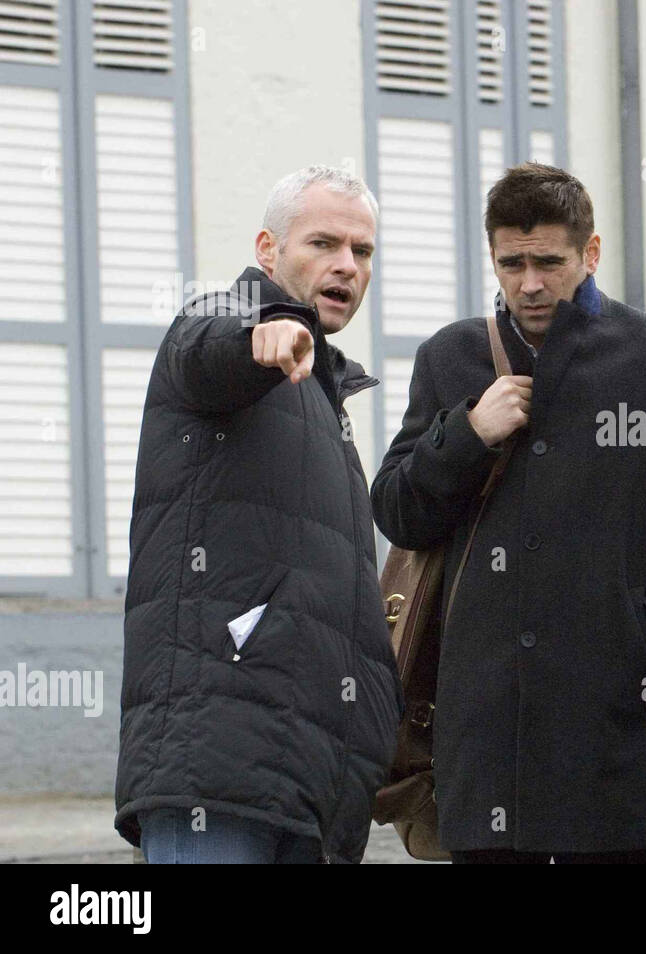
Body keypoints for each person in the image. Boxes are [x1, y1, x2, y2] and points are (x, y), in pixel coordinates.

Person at [371, 162, 646, 863]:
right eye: (512, 263)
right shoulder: (450, 357)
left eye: (549, 261)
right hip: (483, 745)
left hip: (615, 739)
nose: (530, 283)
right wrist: (469, 434)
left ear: (590, 254)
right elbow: (397, 512)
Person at [114, 166, 402, 864]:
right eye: (324, 243)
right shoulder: (225, 320)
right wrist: (261, 337)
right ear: (268, 250)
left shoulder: (324, 397)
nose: (346, 265)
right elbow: (205, 353)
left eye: (361, 252)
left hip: (311, 786)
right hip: (214, 778)